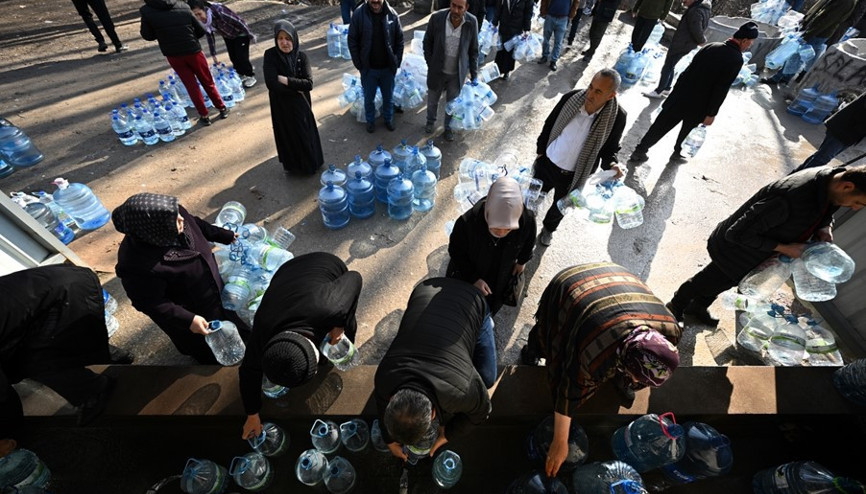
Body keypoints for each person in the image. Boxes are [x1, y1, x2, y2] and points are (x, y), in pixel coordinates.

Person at [520, 262, 681, 477]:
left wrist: (632, 378)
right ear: (624, 362)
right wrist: (560, 442)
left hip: (618, 281)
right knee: (552, 336)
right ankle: (532, 350)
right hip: (574, 286)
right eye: (635, 378)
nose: (637, 384)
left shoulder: (670, 332)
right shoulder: (596, 349)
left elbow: (649, 365)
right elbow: (569, 388)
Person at [667, 165, 866, 327]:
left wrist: (825, 228)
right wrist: (786, 248)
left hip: (757, 253)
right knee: (707, 281)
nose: (855, 208)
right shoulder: (792, 197)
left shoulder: (832, 184)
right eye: (857, 202)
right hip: (735, 251)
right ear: (847, 186)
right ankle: (675, 307)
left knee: (724, 283)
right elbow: (738, 233)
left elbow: (828, 211)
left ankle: (697, 307)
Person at [113, 193, 250, 364]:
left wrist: (222, 235)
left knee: (229, 318)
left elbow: (196, 223)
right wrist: (188, 319)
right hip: (191, 312)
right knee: (206, 347)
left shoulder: (173, 214)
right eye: (175, 220)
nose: (181, 219)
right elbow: (149, 302)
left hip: (213, 293)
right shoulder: (136, 264)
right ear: (154, 230)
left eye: (178, 213)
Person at [238, 253, 362, 440]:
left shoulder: (331, 307)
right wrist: (252, 414)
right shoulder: (263, 328)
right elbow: (249, 370)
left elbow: (354, 277)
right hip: (285, 273)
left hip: (326, 264)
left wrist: (341, 325)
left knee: (346, 325)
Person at [0, 266, 134, 432]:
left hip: (65, 294)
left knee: (35, 363)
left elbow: (3, 395)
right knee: (32, 347)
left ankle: (95, 391)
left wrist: (10, 433)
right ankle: (113, 354)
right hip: (63, 283)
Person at [374, 278, 495, 462]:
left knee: (487, 378)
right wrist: (390, 441)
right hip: (424, 290)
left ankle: (485, 319)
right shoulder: (385, 377)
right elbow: (380, 402)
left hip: (472, 300)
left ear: (432, 414)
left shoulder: (461, 389)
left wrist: (447, 434)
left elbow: (483, 410)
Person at [629, 22, 756, 164]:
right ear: (744, 40)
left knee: (661, 125)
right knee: (688, 130)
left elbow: (686, 72)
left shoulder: (711, 46)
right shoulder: (736, 59)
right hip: (700, 105)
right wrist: (711, 113)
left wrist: (675, 94)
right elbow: (721, 88)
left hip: (681, 96)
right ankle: (677, 153)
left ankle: (640, 151)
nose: (749, 46)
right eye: (750, 43)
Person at [533, 68, 628, 246]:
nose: (590, 94)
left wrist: (613, 165)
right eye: (591, 87)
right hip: (547, 163)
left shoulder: (617, 117)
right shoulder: (571, 98)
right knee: (532, 197)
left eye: (598, 91)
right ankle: (527, 224)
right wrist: (540, 151)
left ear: (611, 95)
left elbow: (610, 149)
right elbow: (550, 123)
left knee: (560, 207)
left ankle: (548, 229)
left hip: (573, 174)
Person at [447, 177, 536, 316]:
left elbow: (528, 241)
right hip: (471, 270)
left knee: (491, 306)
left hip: (501, 274)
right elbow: (456, 251)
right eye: (495, 228)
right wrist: (473, 278)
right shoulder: (467, 223)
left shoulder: (526, 220)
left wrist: (522, 261)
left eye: (508, 229)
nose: (501, 233)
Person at [140, 0, 229, 126]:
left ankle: (204, 115)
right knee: (207, 81)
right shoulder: (183, 6)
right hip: (194, 51)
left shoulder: (146, 10)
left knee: (191, 86)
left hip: (173, 54)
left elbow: (147, 35)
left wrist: (161, 32)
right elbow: (200, 30)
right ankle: (222, 108)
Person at [263, 20, 325, 175]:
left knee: (304, 133)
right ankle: (294, 167)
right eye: (280, 39)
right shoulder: (270, 55)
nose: (284, 42)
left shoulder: (302, 57)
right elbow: (271, 83)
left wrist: (286, 80)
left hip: (300, 105)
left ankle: (311, 166)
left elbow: (308, 84)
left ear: (294, 39)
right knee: (288, 134)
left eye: (288, 38)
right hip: (281, 106)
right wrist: (296, 88)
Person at [423, 0, 480, 141]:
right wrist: (431, 63)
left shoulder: (472, 22)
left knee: (452, 104)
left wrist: (474, 75)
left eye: (459, 7)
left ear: (466, 7)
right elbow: (427, 42)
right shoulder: (437, 18)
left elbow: (474, 51)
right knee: (432, 100)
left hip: (456, 74)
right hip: (437, 71)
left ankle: (448, 128)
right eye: (453, 5)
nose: (455, 10)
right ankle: (430, 121)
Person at [763, 0, 856, 85]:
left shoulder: (846, 2)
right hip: (812, 29)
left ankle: (780, 78)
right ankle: (784, 78)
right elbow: (818, 7)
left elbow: (828, 20)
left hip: (817, 33)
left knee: (796, 56)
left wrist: (809, 34)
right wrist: (805, 20)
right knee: (795, 56)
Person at [347, 0, 405, 133]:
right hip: (368, 69)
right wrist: (358, 63)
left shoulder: (393, 15)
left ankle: (388, 119)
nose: (375, 1)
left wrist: (396, 61)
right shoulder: (358, 14)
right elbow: (352, 40)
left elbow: (400, 40)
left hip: (387, 69)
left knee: (388, 98)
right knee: (369, 98)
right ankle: (370, 121)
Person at [643, 0, 711, 99]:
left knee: (667, 67)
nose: (683, 1)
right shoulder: (704, 9)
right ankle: (666, 88)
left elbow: (697, 29)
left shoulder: (695, 11)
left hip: (682, 44)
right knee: (671, 66)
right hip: (685, 44)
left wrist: (702, 40)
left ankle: (659, 91)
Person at [188, 0, 258, 88]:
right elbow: (210, 37)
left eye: (199, 14)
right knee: (233, 57)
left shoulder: (219, 11)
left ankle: (250, 75)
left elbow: (238, 21)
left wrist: (250, 34)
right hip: (228, 35)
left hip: (240, 33)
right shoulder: (205, 22)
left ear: (204, 9)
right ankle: (240, 74)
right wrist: (213, 54)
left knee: (241, 56)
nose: (199, 17)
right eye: (196, 15)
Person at [792, 91, 866, 173]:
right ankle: (801, 181)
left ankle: (794, 176)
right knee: (821, 159)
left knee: (820, 157)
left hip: (851, 134)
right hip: (843, 129)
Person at [492, 0, 533, 80]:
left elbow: (528, 14)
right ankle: (497, 70)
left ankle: (507, 71)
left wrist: (527, 29)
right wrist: (495, 22)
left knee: (510, 51)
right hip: (504, 26)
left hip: (516, 29)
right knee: (501, 49)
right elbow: (499, 9)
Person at [537, 0, 579, 71]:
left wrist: (572, 14)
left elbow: (576, 2)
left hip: (563, 18)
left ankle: (553, 61)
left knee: (558, 42)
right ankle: (544, 56)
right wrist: (543, 12)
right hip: (550, 16)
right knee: (545, 39)